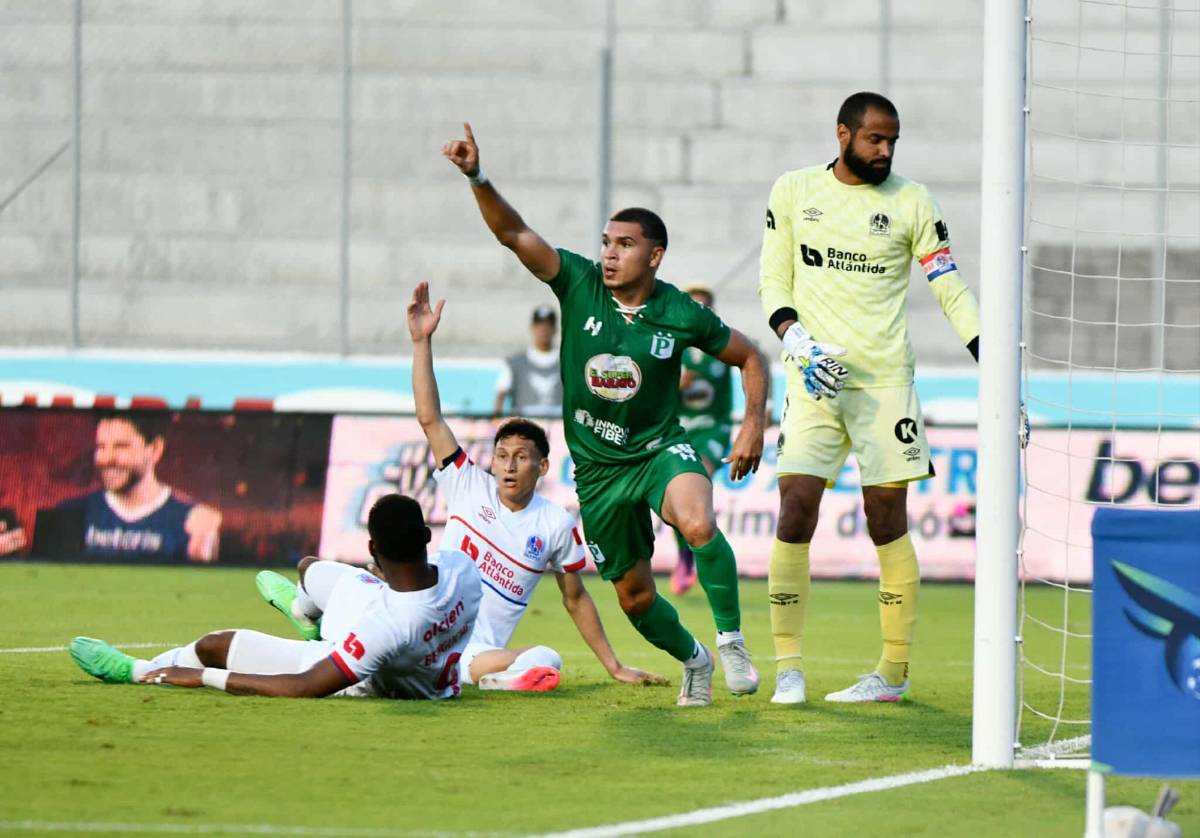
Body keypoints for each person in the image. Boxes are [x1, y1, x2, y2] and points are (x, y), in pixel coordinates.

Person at [442, 122, 770, 707]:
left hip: (659, 450)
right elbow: (514, 233)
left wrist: (751, 426)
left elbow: (750, 358)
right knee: (635, 600)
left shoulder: (681, 312)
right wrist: (477, 176)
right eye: (606, 242)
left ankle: (732, 640)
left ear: (655, 254)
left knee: (696, 524)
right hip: (597, 475)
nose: (609, 254)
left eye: (624, 244)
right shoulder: (579, 284)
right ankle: (695, 660)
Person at [757, 91, 981, 705]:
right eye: (874, 140)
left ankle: (892, 673)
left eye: (892, 142)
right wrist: (794, 338)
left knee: (887, 521)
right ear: (843, 135)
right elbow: (774, 279)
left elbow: (949, 286)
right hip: (813, 380)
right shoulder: (795, 191)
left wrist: (989, 352)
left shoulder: (912, 201)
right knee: (794, 506)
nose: (885, 151)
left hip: (885, 386)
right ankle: (789, 667)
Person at [69, 493, 482, 700]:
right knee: (310, 569)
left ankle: (139, 670)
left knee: (215, 645)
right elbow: (415, 593)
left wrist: (202, 677)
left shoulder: (387, 629)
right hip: (392, 603)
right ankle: (306, 618)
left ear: (372, 550)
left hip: (362, 672)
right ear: (428, 537)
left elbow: (302, 687)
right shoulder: (462, 569)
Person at [54, 413, 221, 563]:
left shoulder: (192, 522)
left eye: (121, 447)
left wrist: (200, 556)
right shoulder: (68, 513)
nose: (107, 458)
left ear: (155, 449)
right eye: (101, 447)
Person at [670, 285, 735, 597]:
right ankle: (685, 557)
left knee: (697, 485)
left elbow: (685, 381)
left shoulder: (718, 347)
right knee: (677, 500)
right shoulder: (672, 344)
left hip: (712, 429)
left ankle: (702, 560)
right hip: (679, 431)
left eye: (704, 307)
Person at [493, 304, 562, 418]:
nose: (544, 330)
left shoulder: (566, 362)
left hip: (558, 426)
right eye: (540, 325)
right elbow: (501, 392)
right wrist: (496, 421)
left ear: (555, 329)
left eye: (548, 325)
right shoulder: (515, 363)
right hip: (524, 427)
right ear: (532, 328)